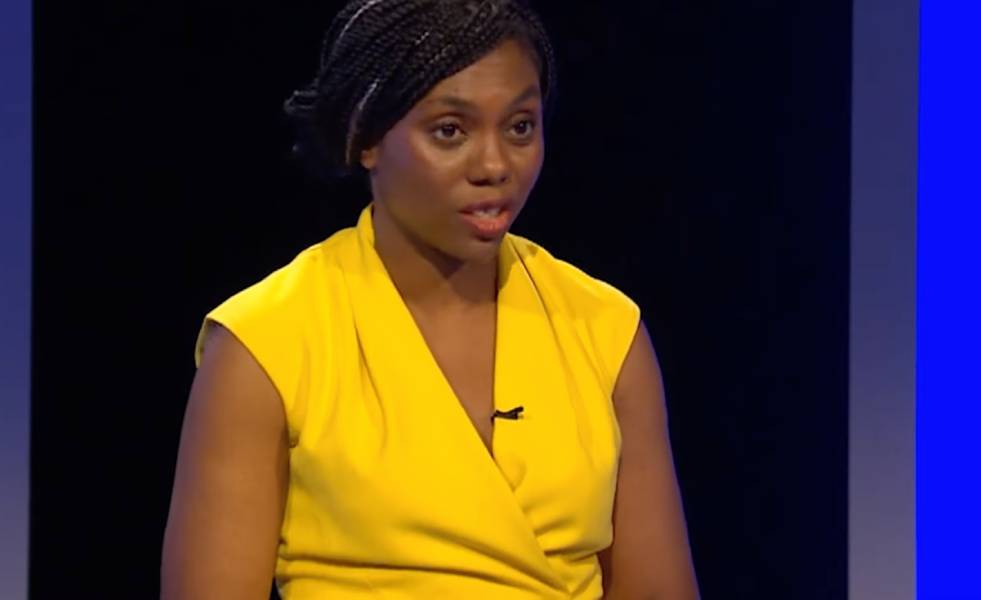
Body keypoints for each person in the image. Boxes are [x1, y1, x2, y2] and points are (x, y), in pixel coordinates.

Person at [161, 1, 699, 598]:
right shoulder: (266, 343)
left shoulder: (605, 329)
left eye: (520, 126)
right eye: (450, 131)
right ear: (364, 137)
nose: (495, 165)